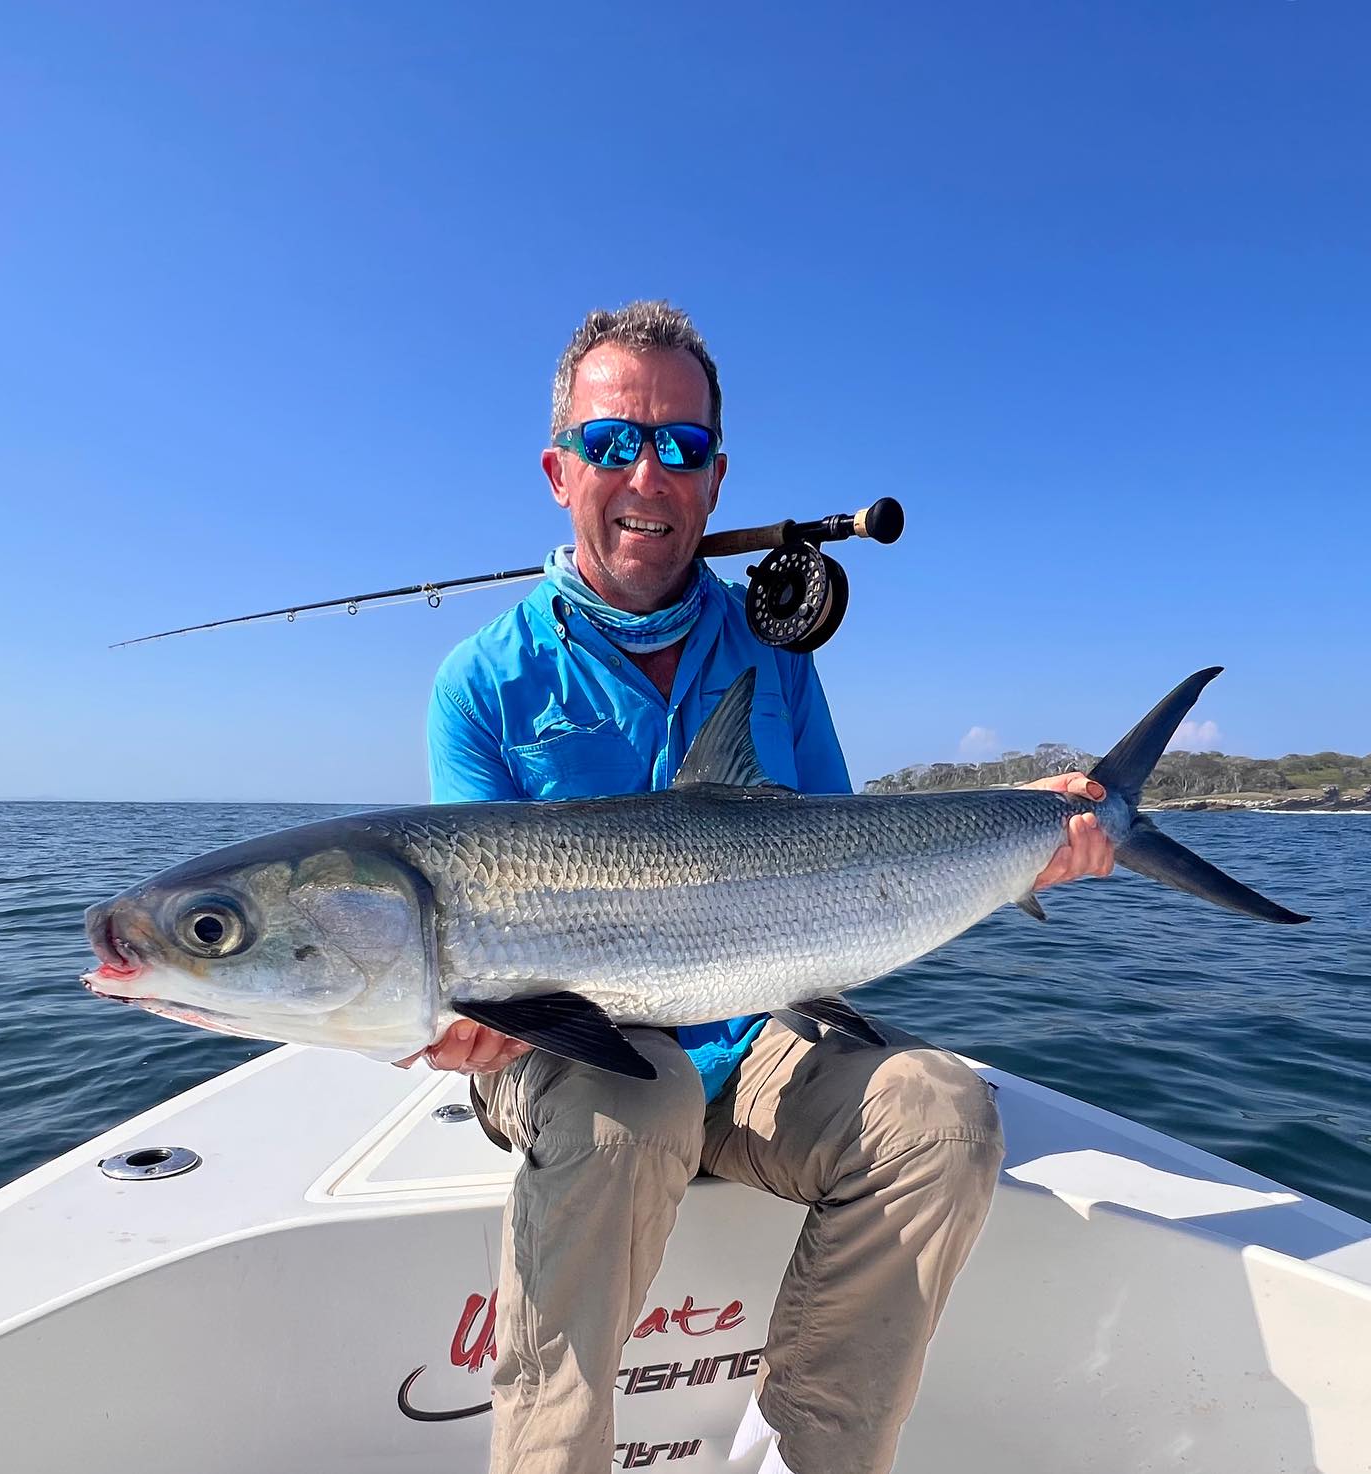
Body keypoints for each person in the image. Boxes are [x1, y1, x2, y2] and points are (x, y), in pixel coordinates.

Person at [401, 301, 1113, 1474]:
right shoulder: (481, 683)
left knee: (941, 1112)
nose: (647, 471)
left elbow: (842, 850)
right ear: (557, 467)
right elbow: (466, 923)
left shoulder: (774, 659)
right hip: (565, 1051)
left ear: (717, 477)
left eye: (679, 447)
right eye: (613, 441)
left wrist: (1029, 821)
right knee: (639, 1100)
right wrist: (466, 1009)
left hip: (757, 1035)